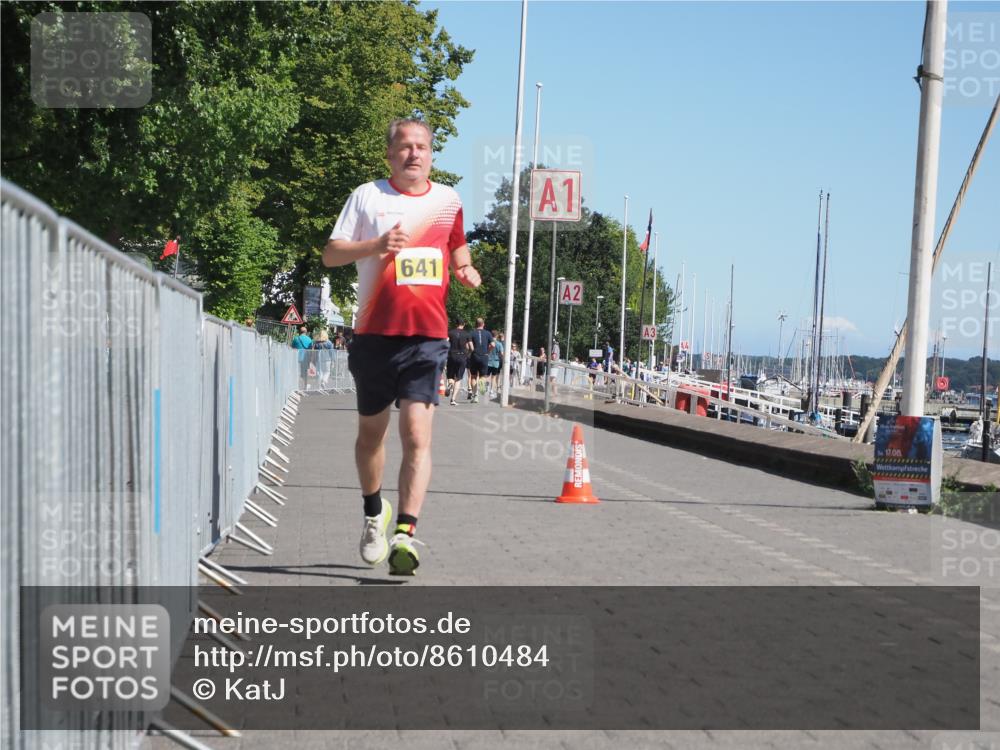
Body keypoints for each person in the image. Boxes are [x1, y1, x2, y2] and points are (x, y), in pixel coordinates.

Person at [323, 117, 481, 575]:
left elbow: (457, 247)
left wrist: (465, 269)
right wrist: (374, 244)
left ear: (431, 154)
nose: (414, 153)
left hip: (428, 337)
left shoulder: (448, 200)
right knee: (371, 436)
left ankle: (405, 535)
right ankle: (375, 512)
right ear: (390, 154)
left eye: (422, 147)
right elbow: (331, 255)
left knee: (416, 435)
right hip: (374, 336)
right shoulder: (367, 196)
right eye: (405, 146)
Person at [446, 320, 473, 406]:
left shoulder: (450, 333)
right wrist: (467, 354)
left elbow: (445, 343)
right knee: (458, 378)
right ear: (463, 324)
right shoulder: (467, 334)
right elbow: (471, 347)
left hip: (452, 356)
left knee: (450, 376)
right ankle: (453, 399)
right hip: (462, 357)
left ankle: (450, 383)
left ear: (456, 324)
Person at [467, 318, 492, 403]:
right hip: (484, 356)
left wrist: (472, 351)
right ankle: (482, 387)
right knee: (482, 376)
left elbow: (470, 346)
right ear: (483, 324)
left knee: (473, 376)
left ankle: (475, 395)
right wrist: (488, 352)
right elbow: (493, 344)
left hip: (475, 356)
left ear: (475, 324)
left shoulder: (471, 333)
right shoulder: (488, 333)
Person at [291, 325, 313, 389]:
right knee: (305, 372)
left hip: (297, 358)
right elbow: (311, 350)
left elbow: (292, 348)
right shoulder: (309, 339)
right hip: (306, 358)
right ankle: (306, 385)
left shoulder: (296, 339)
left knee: (297, 372)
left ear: (299, 332)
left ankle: (295, 386)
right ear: (306, 332)